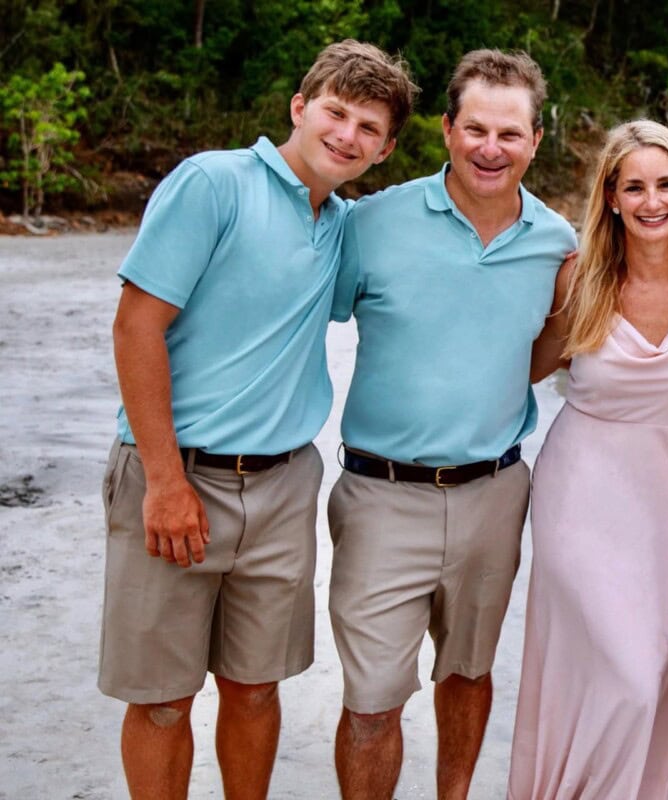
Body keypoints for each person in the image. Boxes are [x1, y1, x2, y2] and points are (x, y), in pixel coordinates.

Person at [100, 40, 415, 800]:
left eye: (369, 128)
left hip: (282, 487)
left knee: (254, 688)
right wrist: (166, 481)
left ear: (385, 149)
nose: (347, 135)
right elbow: (135, 328)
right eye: (336, 113)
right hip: (177, 471)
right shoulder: (213, 183)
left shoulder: (342, 225)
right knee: (165, 700)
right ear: (300, 108)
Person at [327, 49, 577, 800]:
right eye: (475, 129)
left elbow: (551, 348)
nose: (489, 148)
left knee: (468, 674)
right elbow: (290, 322)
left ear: (536, 140)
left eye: (509, 133)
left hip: (495, 494)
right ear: (446, 129)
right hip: (380, 496)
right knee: (373, 702)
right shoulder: (369, 225)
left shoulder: (557, 244)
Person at [507, 119, 668, 799]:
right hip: (580, 495)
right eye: (634, 186)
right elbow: (517, 365)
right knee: (624, 678)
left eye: (666, 184)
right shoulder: (579, 278)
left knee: (659, 672)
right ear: (610, 197)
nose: (651, 200)